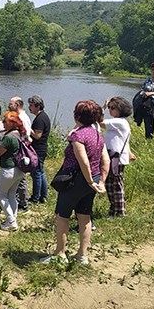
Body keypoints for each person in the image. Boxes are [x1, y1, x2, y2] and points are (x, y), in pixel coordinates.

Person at [41, 100, 109, 265]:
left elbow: (83, 161)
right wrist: (101, 182)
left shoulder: (78, 135)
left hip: (76, 180)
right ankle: (81, 255)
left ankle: (60, 254)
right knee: (84, 216)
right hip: (92, 179)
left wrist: (89, 180)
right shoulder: (98, 135)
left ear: (77, 115)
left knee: (62, 216)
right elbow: (105, 160)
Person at [0, 112, 28, 231]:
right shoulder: (20, 134)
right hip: (19, 170)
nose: (3, 123)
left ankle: (11, 221)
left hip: (8, 170)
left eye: (5, 121)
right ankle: (12, 218)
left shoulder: (8, 138)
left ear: (12, 123)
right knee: (11, 194)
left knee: (0, 195)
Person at [101, 97, 132, 217]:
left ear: (121, 109)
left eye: (112, 108)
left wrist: (102, 109)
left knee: (116, 185)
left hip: (116, 158)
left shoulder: (120, 122)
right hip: (112, 156)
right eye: (109, 107)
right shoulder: (117, 121)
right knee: (110, 184)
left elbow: (101, 122)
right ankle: (113, 209)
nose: (110, 110)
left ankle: (120, 211)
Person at [8, 97, 32, 211]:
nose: (8, 106)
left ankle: (23, 202)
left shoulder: (22, 117)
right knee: (19, 177)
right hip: (19, 149)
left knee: (21, 177)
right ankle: (19, 199)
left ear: (17, 104)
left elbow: (26, 134)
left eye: (11, 104)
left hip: (21, 150)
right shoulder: (19, 115)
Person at [27, 96, 50, 204]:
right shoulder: (42, 116)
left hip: (38, 149)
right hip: (41, 148)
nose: (29, 107)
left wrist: (27, 128)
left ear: (38, 106)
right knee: (40, 172)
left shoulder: (40, 119)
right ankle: (43, 196)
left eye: (31, 105)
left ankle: (36, 198)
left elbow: (37, 135)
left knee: (36, 173)